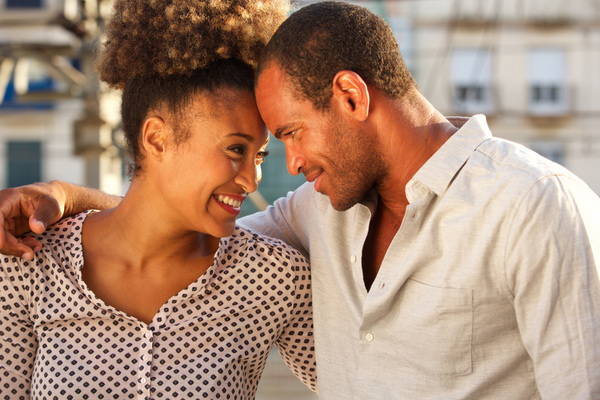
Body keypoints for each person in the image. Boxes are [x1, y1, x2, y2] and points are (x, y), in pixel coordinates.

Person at [1, 1, 600, 399]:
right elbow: (171, 218)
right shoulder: (318, 212)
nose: (286, 167)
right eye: (252, 147)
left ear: (349, 96)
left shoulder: (535, 207)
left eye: (285, 136)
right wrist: (59, 195)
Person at [0, 0, 317, 399]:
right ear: (156, 139)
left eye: (259, 156)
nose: (252, 180)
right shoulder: (29, 263)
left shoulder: (275, 278)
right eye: (236, 149)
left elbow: (362, 382)